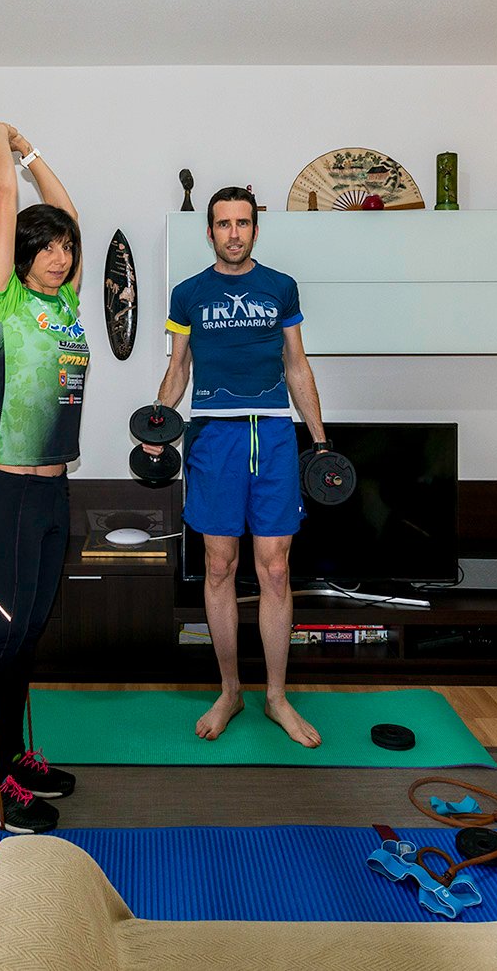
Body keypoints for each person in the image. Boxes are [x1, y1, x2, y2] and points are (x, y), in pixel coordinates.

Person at [149, 187, 329, 748]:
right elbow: (178, 370)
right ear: (210, 232)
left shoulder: (280, 288)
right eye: (223, 224)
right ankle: (230, 690)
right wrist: (157, 425)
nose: (233, 232)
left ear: (255, 229)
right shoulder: (188, 295)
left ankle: (276, 696)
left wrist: (320, 442)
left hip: (272, 434)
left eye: (243, 223)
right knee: (219, 565)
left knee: (275, 569)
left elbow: (297, 365)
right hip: (213, 436)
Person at [0, 121, 86, 834]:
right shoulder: (5, 304)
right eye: (48, 247)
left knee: (31, 631)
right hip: (9, 494)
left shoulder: (64, 306)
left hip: (52, 491)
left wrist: (39, 150)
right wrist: (5, 150)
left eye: (66, 247)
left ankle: (13, 756)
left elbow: (67, 209)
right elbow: (5, 204)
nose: (62, 255)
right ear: (23, 257)